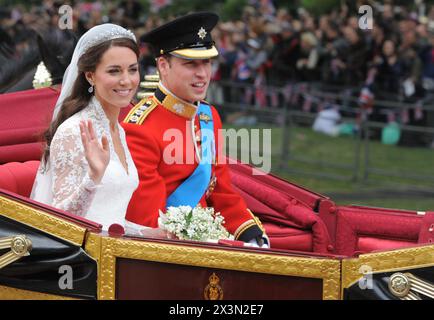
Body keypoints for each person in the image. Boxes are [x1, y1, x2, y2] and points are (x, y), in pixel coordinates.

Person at [122, 12, 269, 247]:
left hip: (206, 238)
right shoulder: (140, 126)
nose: (202, 74)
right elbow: (149, 221)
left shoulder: (209, 116)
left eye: (207, 63)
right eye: (190, 64)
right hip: (169, 247)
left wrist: (248, 232)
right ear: (163, 66)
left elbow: (220, 189)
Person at [31, 23, 142, 232]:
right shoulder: (72, 131)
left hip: (117, 252)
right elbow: (59, 221)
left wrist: (151, 232)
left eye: (133, 69)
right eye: (114, 71)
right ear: (90, 76)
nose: (127, 80)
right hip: (84, 259)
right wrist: (92, 179)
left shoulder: (119, 130)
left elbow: (110, 217)